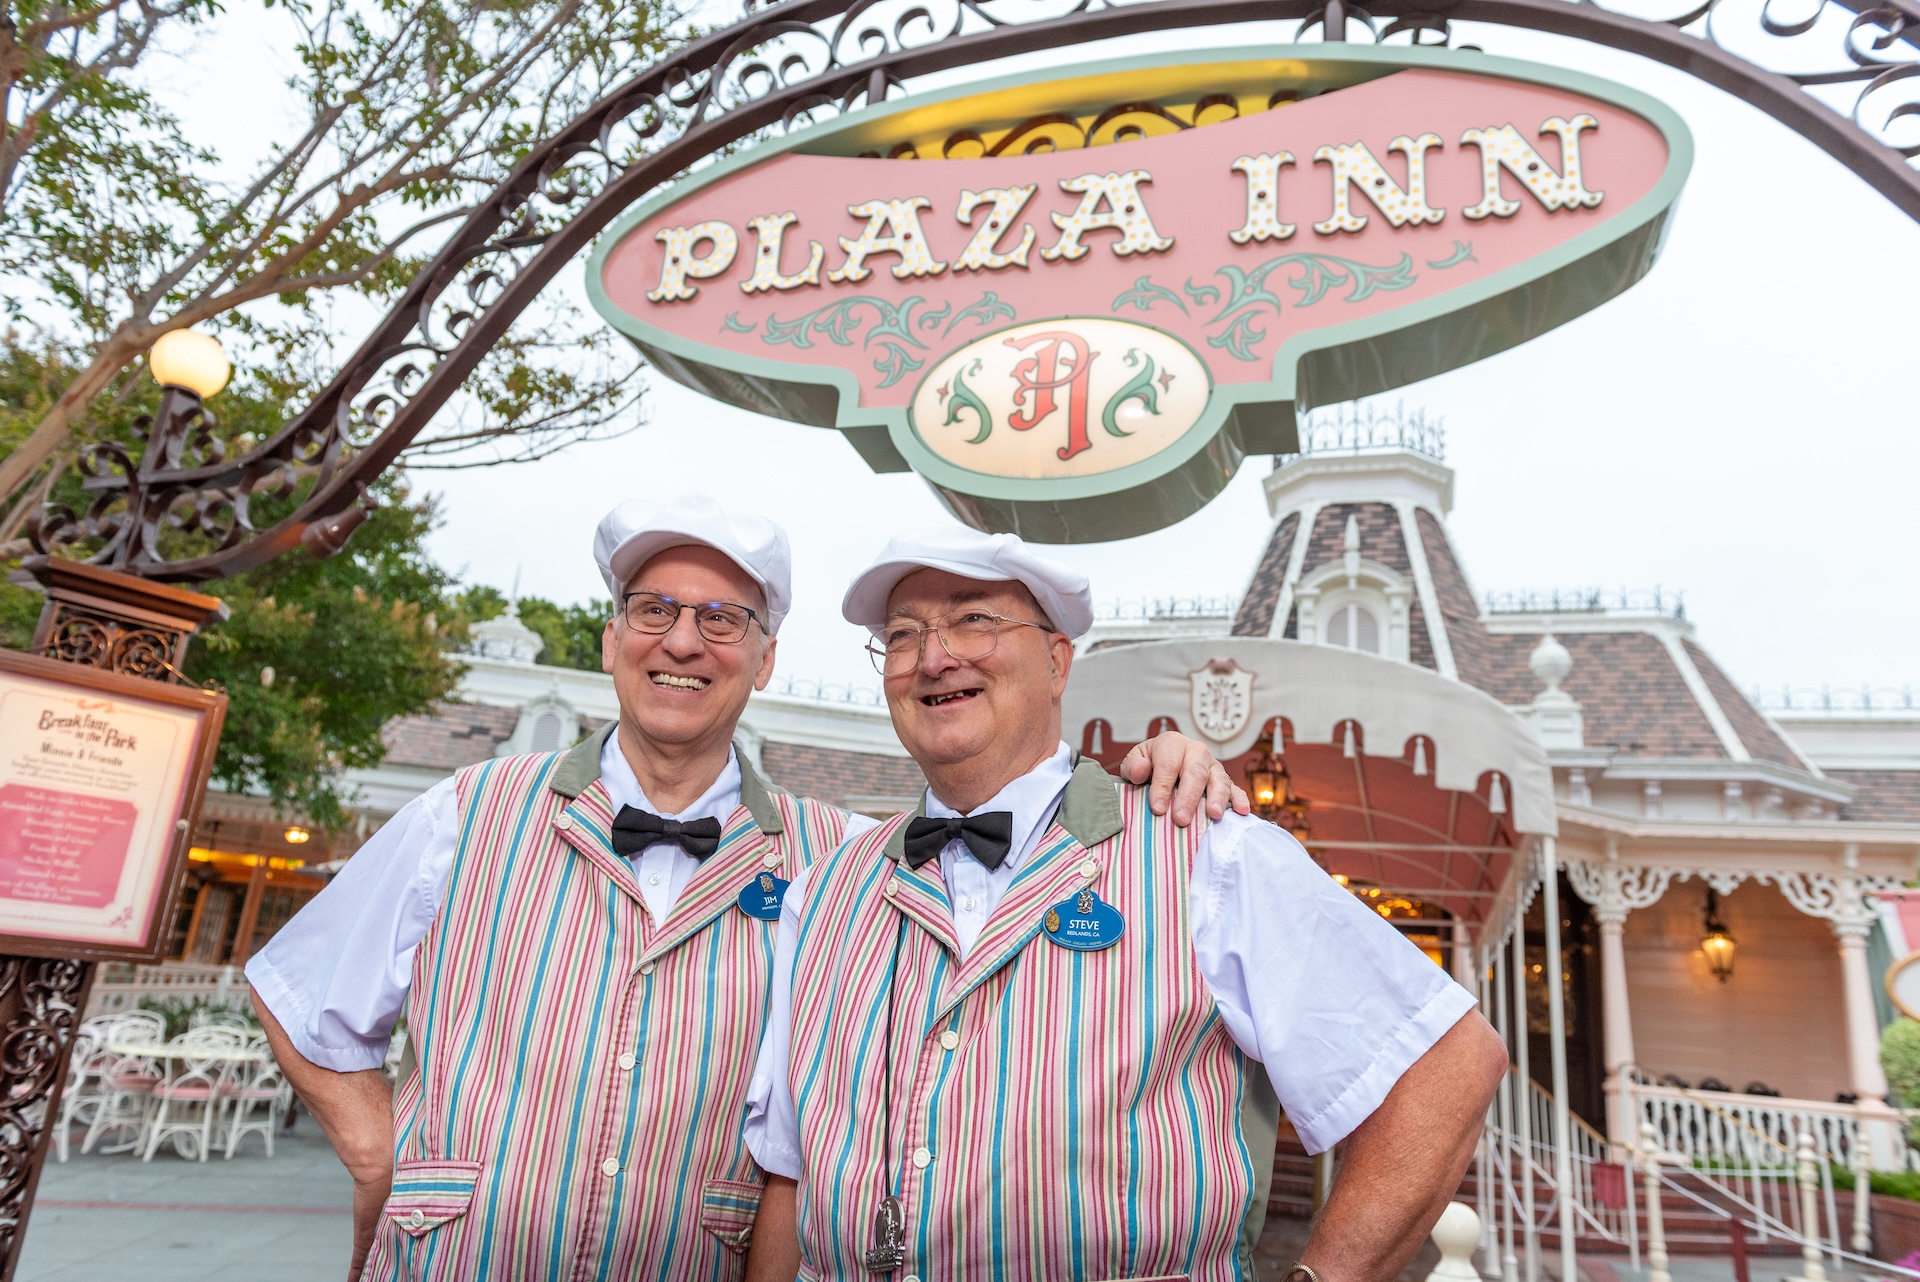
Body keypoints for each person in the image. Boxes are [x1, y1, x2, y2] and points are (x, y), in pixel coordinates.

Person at [247, 495, 1243, 1282]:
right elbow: (299, 990)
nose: (684, 641)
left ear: (765, 661)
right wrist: (386, 1161)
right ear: (610, 641)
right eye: (655, 610)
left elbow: (1013, 823)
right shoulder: (467, 811)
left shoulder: (840, 865)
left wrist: (1167, 758)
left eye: (722, 619)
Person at [741, 527, 1510, 1282]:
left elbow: (1446, 1064)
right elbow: (790, 1177)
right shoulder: (820, 895)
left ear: (1056, 660)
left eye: (975, 618)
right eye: (904, 635)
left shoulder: (1206, 851)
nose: (935, 657)